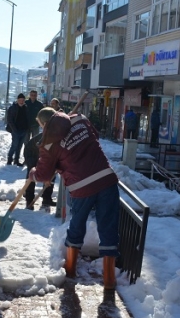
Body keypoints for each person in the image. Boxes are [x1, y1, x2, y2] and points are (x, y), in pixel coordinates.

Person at [29, 107, 120, 290]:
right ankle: (109, 279)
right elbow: (95, 137)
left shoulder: (48, 144)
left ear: (44, 125)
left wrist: (33, 174)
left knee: (77, 224)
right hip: (106, 178)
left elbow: (44, 174)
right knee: (108, 226)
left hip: (82, 187)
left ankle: (70, 270)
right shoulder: (79, 119)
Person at [23, 131, 55, 210]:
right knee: (32, 176)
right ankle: (29, 200)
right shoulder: (50, 136)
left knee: (51, 175)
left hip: (42, 153)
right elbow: (42, 148)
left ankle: (46, 199)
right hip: (31, 153)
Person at [6, 93, 29, 166]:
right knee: (14, 145)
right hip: (16, 130)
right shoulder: (13, 108)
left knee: (19, 146)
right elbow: (9, 120)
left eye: (23, 100)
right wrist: (14, 129)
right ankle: (9, 159)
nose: (21, 101)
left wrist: (27, 128)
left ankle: (16, 160)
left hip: (24, 130)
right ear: (17, 100)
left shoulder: (25, 107)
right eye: (20, 100)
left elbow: (27, 118)